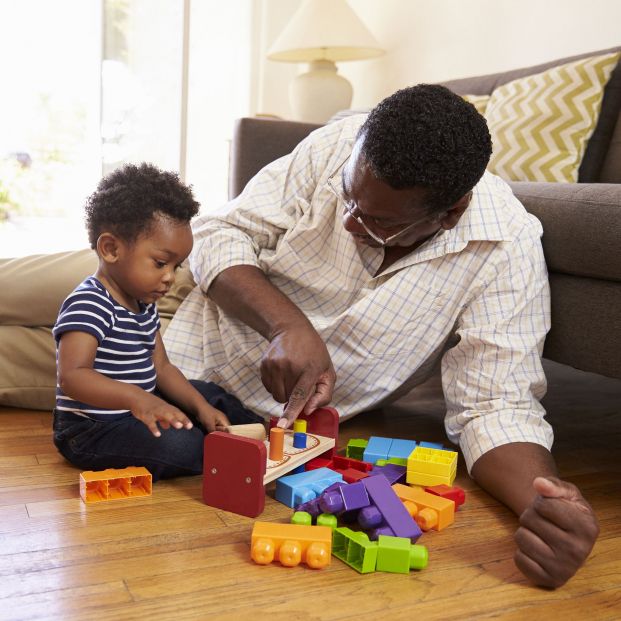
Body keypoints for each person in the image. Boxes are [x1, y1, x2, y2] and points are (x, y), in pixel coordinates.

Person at [163, 85, 599, 588]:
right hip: (177, 321)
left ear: (450, 213)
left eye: (378, 221)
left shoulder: (505, 248)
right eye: (348, 195)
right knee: (85, 302)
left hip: (214, 403)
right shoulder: (340, 145)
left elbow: (495, 406)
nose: (349, 222)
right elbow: (216, 235)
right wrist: (286, 324)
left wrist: (544, 504)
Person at [52, 163, 263, 482]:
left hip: (138, 409)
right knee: (183, 447)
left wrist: (200, 407)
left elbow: (162, 369)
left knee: (210, 394)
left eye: (177, 266)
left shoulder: (144, 301)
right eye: (161, 263)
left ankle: (265, 437)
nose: (169, 277)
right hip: (92, 430)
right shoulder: (89, 303)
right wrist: (138, 398)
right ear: (111, 249)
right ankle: (223, 449)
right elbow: (73, 377)